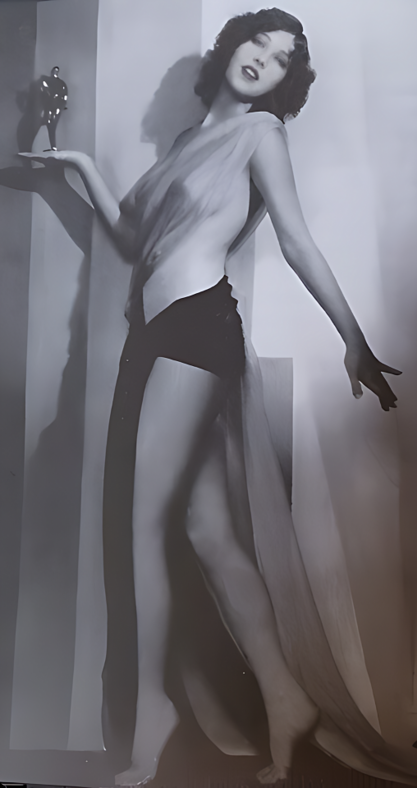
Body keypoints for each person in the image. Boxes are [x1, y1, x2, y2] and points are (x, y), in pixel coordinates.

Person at [20, 8, 413, 787]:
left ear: (286, 81)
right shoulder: (185, 142)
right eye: (256, 42)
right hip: (156, 334)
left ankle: (154, 712)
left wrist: (353, 339)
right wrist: (79, 165)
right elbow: (133, 240)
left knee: (143, 524)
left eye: (281, 57)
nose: (263, 59)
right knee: (207, 533)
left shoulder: (261, 134)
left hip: (196, 330)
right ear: (230, 47)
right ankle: (286, 699)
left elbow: (295, 240)